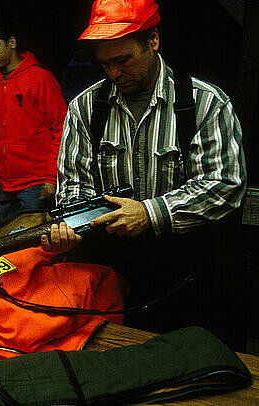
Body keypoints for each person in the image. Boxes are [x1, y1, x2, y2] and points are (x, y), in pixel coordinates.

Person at [42, 0, 247, 349]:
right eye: (105, 64)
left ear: (152, 40)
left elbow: (223, 184)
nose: (113, 74)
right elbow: (75, 183)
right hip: (110, 273)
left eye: (123, 61)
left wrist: (151, 213)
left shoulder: (205, 103)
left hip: (185, 272)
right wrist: (73, 227)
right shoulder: (85, 108)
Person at [0, 24, 68, 222]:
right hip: (4, 184)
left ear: (12, 43)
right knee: (7, 241)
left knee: (34, 244)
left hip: (35, 184)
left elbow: (62, 130)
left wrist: (51, 178)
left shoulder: (40, 79)